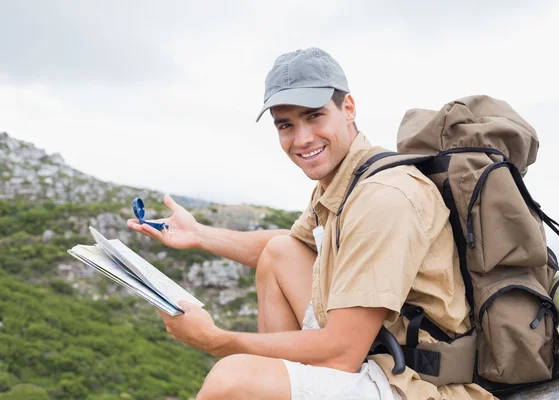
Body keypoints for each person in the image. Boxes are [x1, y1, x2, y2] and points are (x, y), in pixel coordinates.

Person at [127, 48, 496, 400]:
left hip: (417, 383)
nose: (302, 139)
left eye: (314, 116)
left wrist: (217, 340)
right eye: (286, 125)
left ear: (348, 108)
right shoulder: (346, 177)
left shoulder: (384, 196)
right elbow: (297, 245)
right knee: (280, 253)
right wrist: (200, 235)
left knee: (231, 380)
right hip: (382, 350)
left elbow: (342, 353)